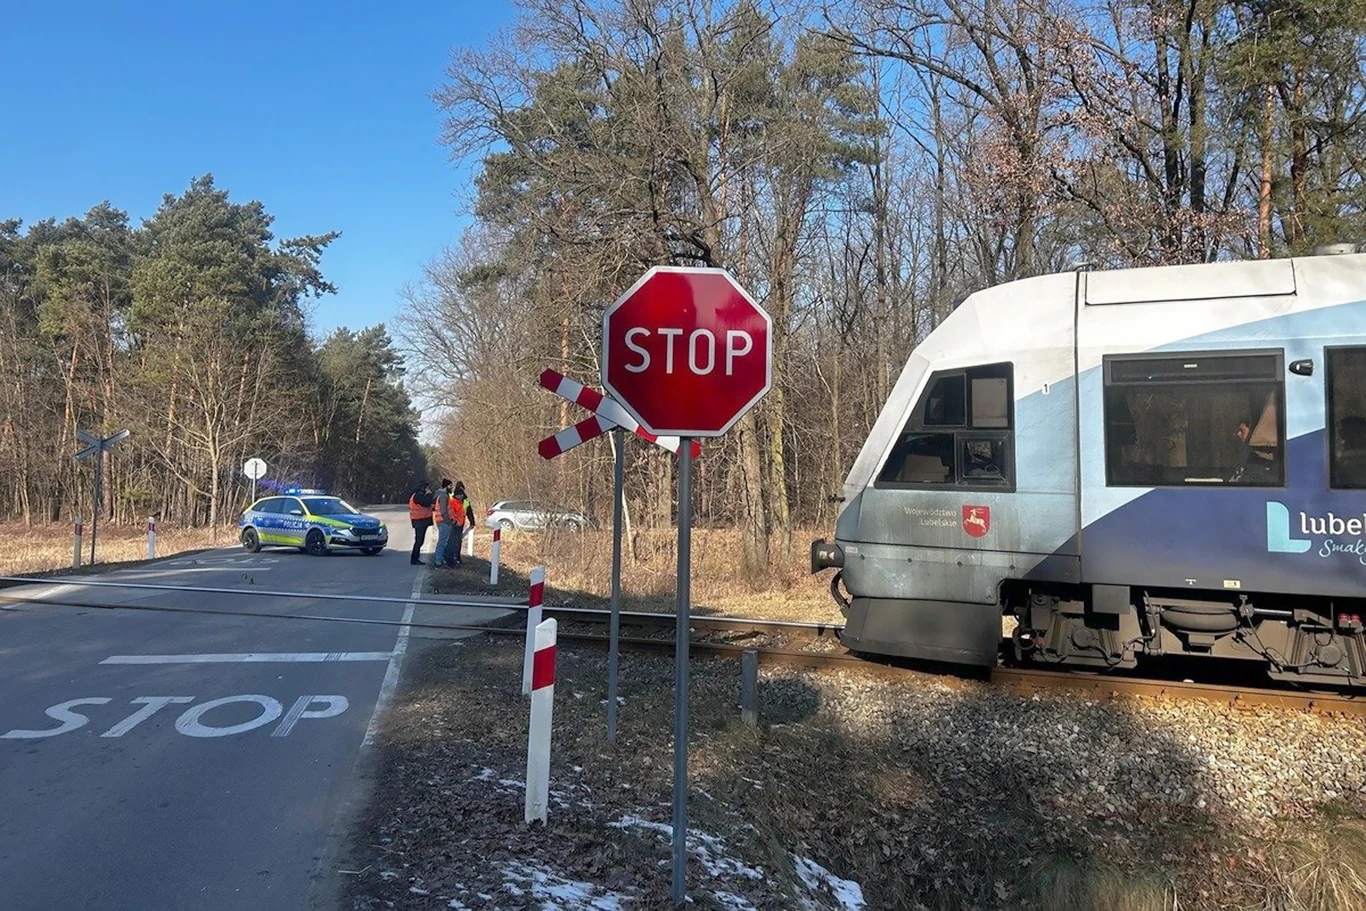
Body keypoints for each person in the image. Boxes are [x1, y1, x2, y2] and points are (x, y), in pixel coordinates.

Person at [449, 481, 477, 566]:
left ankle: (455, 557)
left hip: (456, 522)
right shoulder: (459, 498)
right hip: (456, 522)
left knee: (454, 540)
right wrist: (472, 521)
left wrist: (472, 521)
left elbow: (468, 510)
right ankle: (455, 557)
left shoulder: (453, 497)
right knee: (456, 541)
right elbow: (469, 511)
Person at [407, 482, 434, 565]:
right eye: (426, 488)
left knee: (419, 541)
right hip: (419, 521)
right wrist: (429, 494)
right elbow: (427, 502)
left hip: (420, 520)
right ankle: (414, 559)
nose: (428, 489)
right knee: (419, 541)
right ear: (423, 488)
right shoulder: (418, 496)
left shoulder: (417, 495)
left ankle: (415, 558)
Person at [432, 479, 456, 568]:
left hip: (442, 521)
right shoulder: (444, 496)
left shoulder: (442, 495)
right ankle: (438, 562)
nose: (452, 488)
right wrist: (449, 522)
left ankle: (441, 560)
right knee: (442, 541)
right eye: (450, 486)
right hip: (443, 522)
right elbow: (444, 511)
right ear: (446, 486)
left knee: (443, 541)